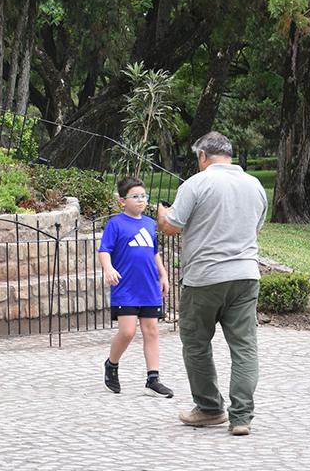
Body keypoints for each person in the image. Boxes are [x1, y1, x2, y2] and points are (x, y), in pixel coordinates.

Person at [157, 131, 268, 437]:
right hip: (246, 276)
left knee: (196, 344)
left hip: (204, 279)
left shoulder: (196, 183)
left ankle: (209, 409)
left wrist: (162, 213)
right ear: (229, 155)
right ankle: (241, 417)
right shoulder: (255, 185)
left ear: (203, 156)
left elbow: (170, 228)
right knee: (244, 348)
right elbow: (256, 228)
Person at [99, 177, 174, 398]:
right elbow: (104, 250)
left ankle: (153, 379)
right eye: (135, 196)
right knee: (128, 331)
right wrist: (108, 268)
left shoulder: (150, 224)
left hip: (149, 286)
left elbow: (154, 252)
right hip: (126, 287)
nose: (141, 200)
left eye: (144, 196)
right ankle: (112, 365)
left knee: (151, 331)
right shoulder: (115, 224)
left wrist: (163, 274)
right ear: (122, 201)